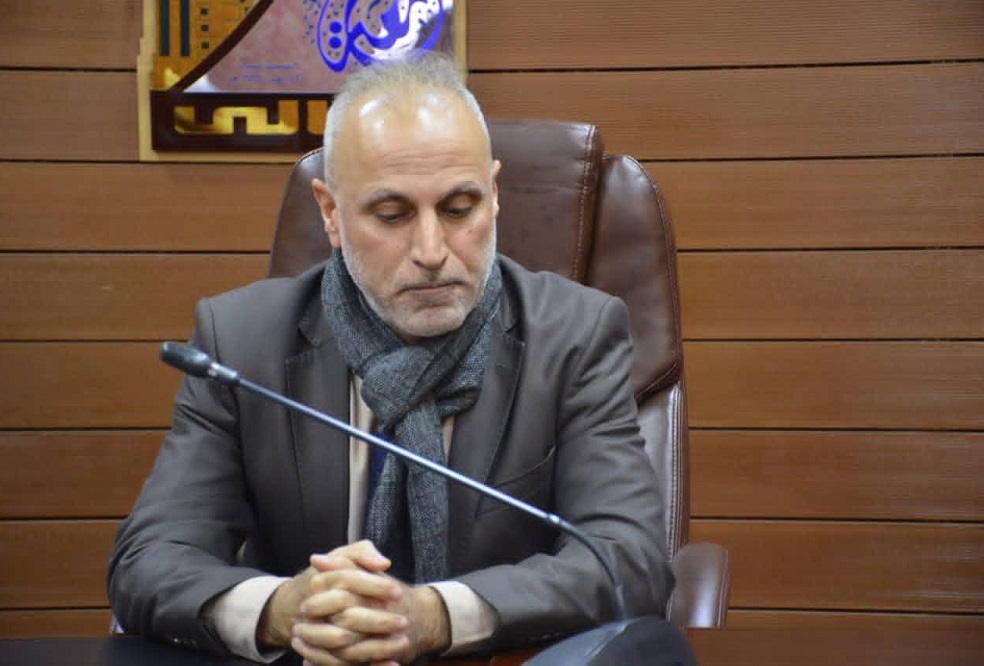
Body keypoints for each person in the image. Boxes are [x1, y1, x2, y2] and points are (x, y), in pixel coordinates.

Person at [108, 54, 673, 665]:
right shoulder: (241, 343)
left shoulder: (574, 337)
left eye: (459, 208)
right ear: (331, 213)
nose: (431, 251)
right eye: (392, 215)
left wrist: (435, 616)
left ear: (494, 195)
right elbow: (150, 560)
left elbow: (628, 558)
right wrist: (284, 610)